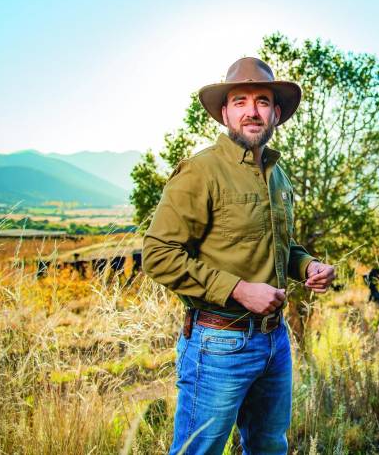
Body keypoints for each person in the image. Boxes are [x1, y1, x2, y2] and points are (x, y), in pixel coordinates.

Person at [142, 57, 336, 454]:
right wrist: (239, 290)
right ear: (225, 112)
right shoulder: (201, 172)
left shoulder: (277, 174)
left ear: (276, 113)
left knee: (268, 447)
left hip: (274, 342)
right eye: (241, 101)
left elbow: (283, 245)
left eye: (262, 101)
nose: (252, 111)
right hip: (218, 343)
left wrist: (307, 266)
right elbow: (157, 255)